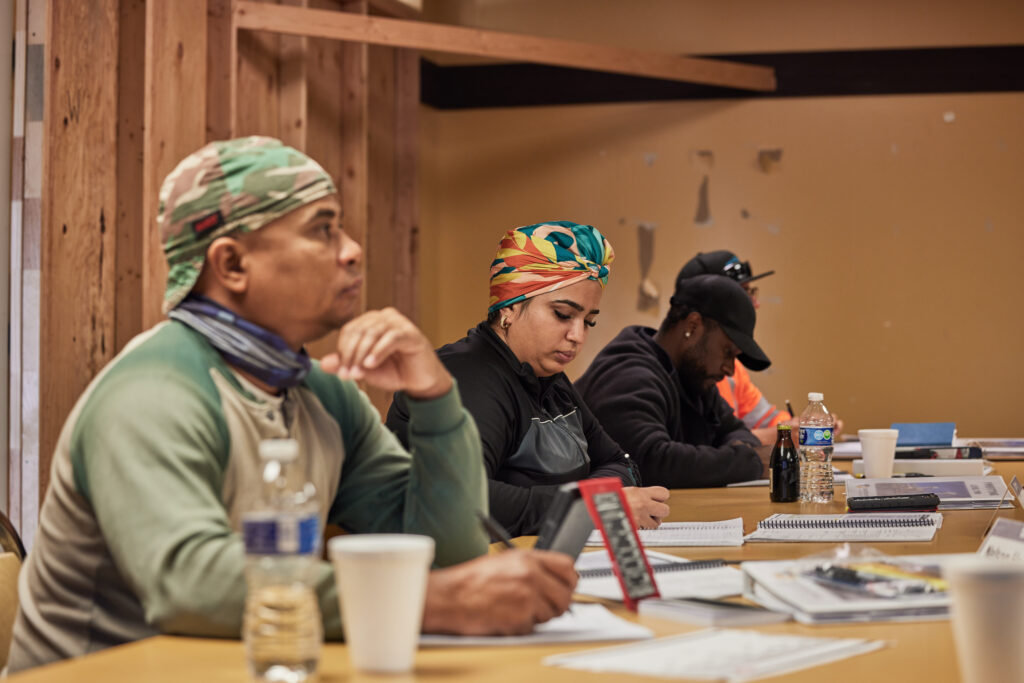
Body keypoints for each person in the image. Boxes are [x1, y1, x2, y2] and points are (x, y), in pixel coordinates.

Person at [8, 137, 576, 672]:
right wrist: (435, 602)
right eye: (322, 230)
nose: (352, 251)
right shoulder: (151, 393)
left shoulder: (319, 394)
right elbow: (191, 587)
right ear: (231, 264)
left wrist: (435, 399)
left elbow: (446, 551)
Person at [387, 222, 670, 537]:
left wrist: (586, 501)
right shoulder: (466, 379)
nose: (577, 336)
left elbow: (622, 463)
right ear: (509, 308)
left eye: (589, 321)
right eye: (563, 315)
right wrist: (595, 505)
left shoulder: (550, 378)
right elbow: (466, 501)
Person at [575, 273, 770, 488]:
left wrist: (741, 451)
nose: (731, 369)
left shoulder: (694, 378)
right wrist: (748, 462)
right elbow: (649, 463)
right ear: (693, 326)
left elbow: (735, 430)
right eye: (727, 351)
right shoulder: (629, 375)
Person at [677, 250, 842, 444]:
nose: (755, 304)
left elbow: (766, 420)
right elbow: (697, 447)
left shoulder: (733, 369)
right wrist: (779, 434)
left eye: (751, 292)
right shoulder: (686, 369)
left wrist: (802, 425)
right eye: (743, 294)